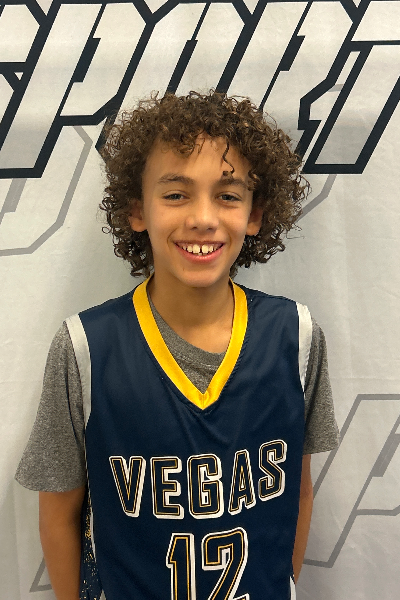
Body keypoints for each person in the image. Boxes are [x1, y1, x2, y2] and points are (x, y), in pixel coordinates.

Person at [16, 90, 339, 600]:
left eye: (228, 195)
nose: (203, 218)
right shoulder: (85, 347)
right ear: (137, 209)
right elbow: (59, 512)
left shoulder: (296, 335)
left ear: (255, 214)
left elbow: (296, 491)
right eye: (175, 194)